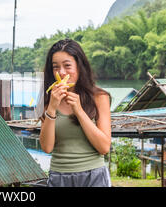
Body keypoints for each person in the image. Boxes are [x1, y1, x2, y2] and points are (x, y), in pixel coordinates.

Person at [39, 39, 112, 187]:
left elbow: (104, 147)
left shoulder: (99, 97)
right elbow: (47, 147)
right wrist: (52, 108)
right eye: (55, 67)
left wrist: (79, 110)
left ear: (79, 67)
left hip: (94, 176)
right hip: (59, 177)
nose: (61, 72)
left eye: (67, 66)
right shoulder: (48, 100)